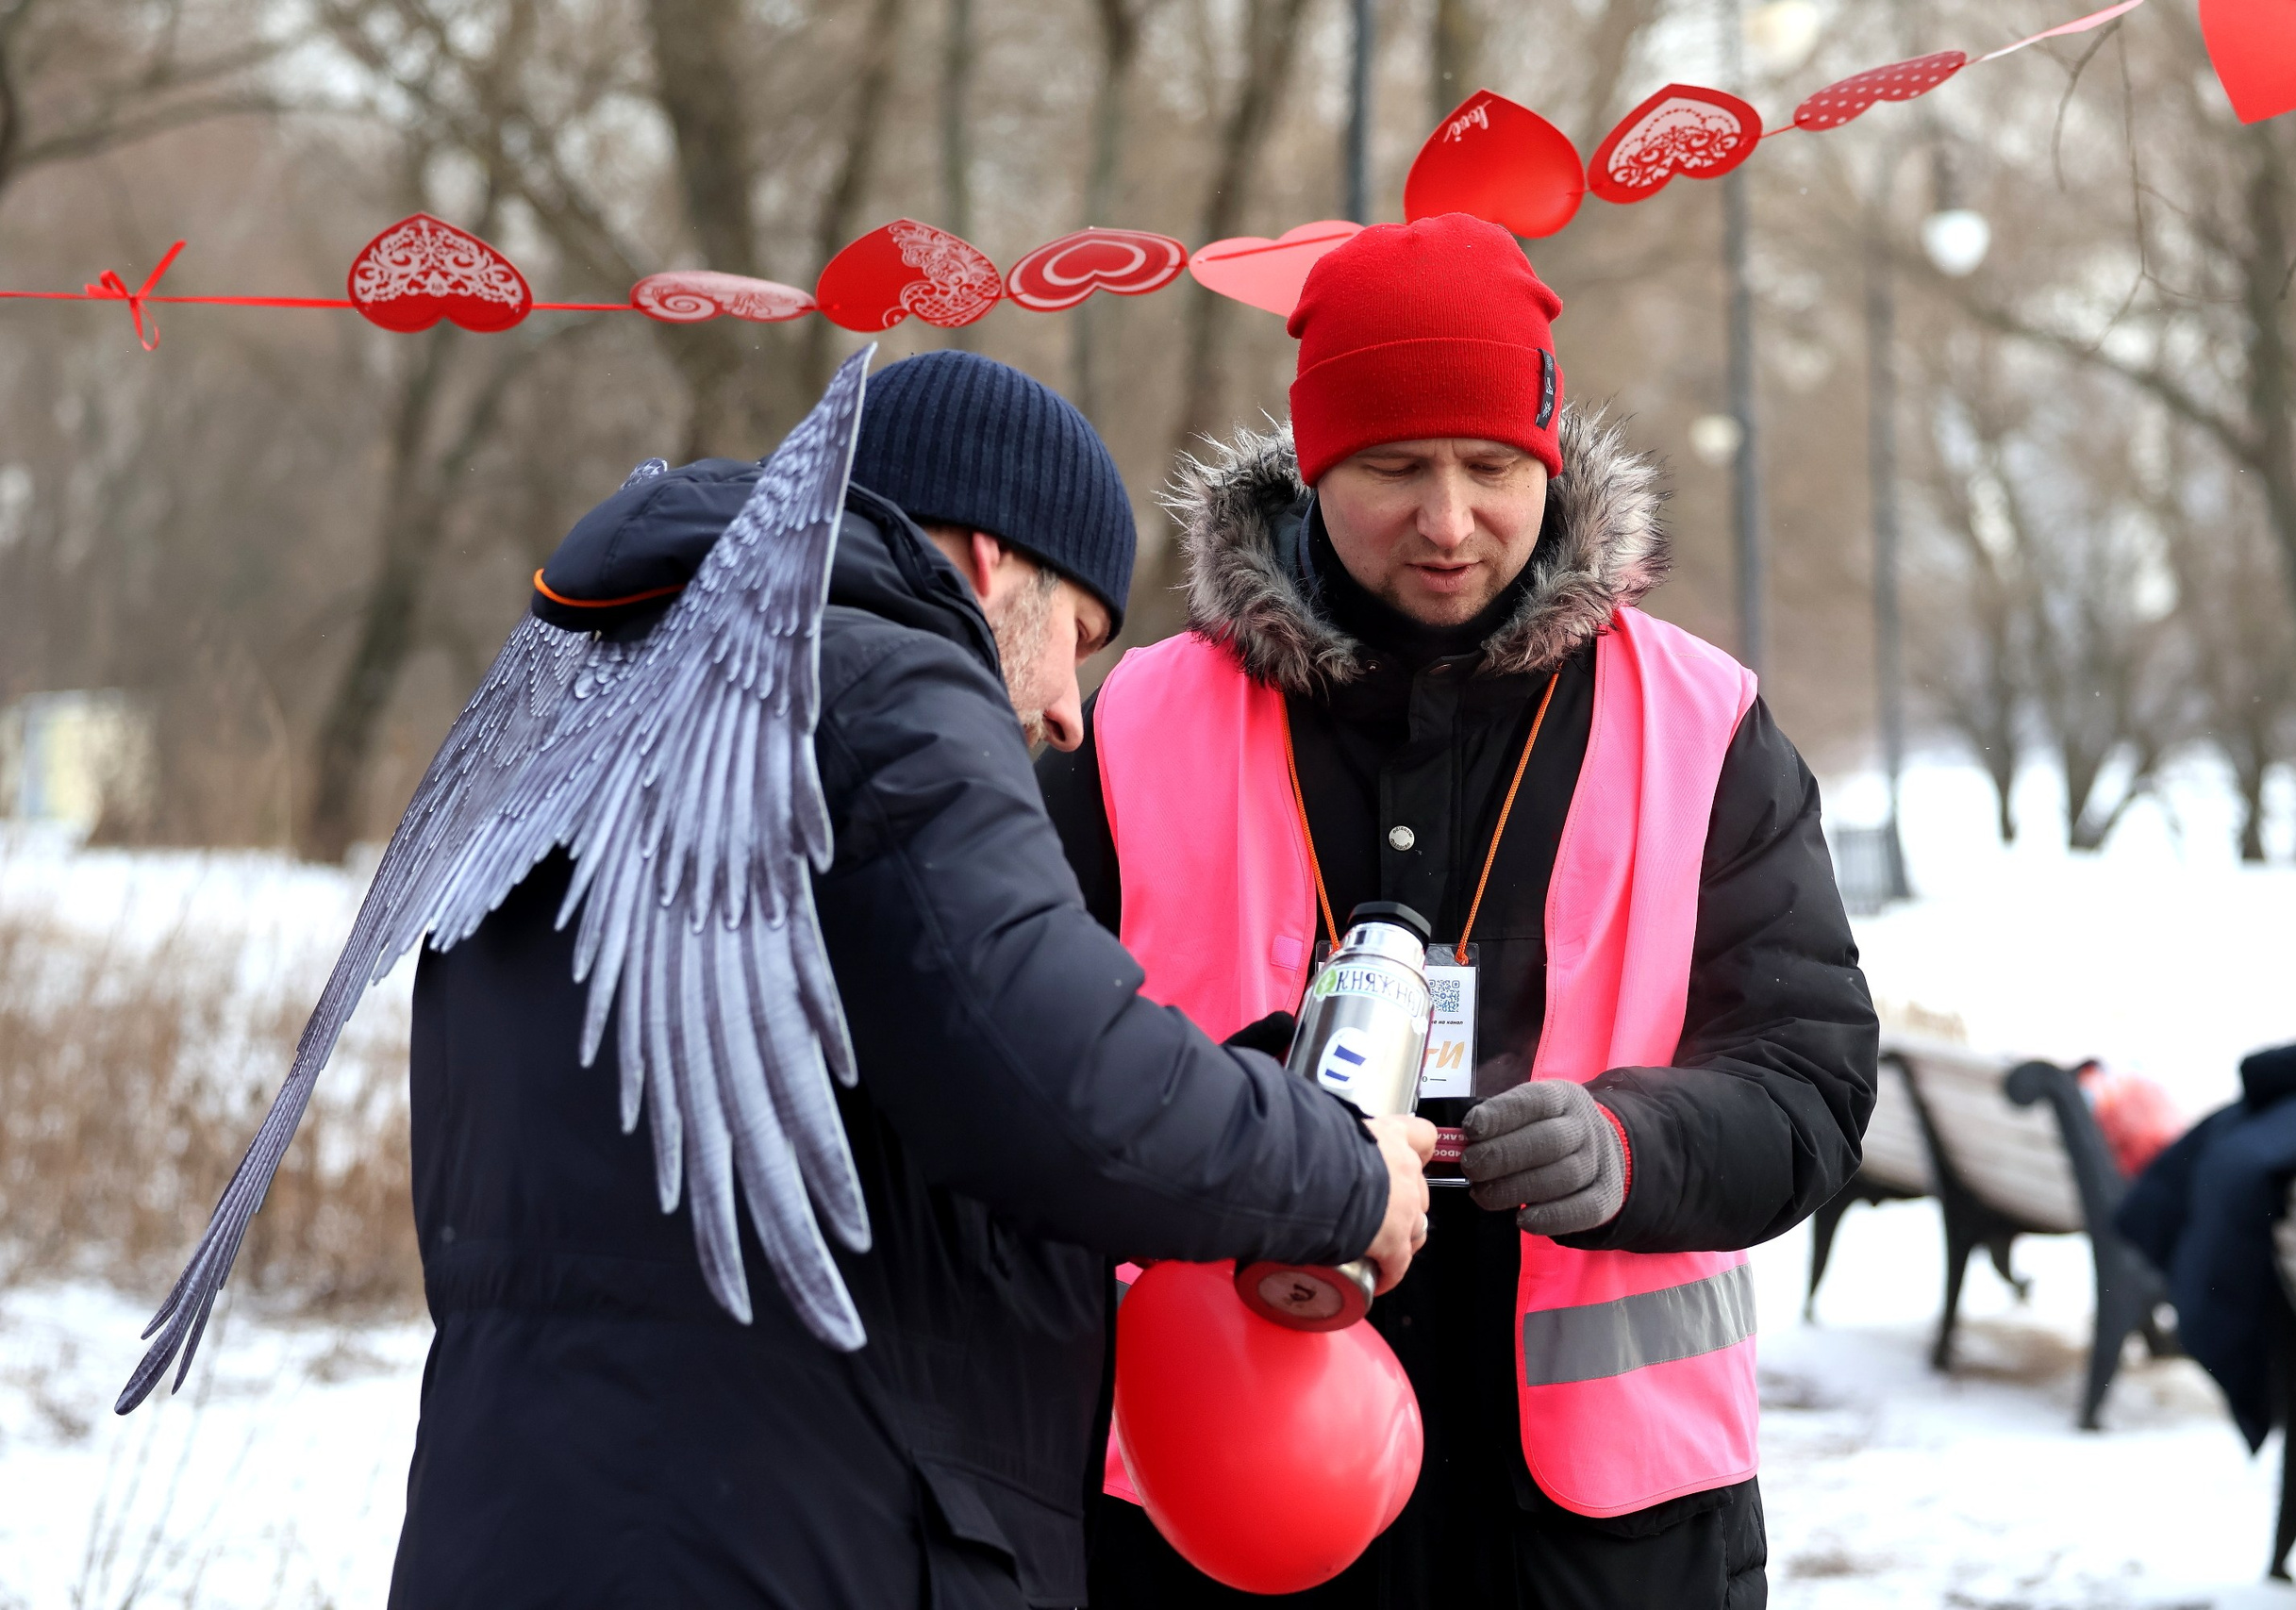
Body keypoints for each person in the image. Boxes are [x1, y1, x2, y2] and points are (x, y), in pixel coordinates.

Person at [118, 347, 1431, 1610]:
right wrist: (1338, 1171)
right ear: (992, 559)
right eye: (1075, 639)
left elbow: (882, 1076)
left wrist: (1238, 1084)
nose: (1069, 713)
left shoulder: (584, 700)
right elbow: (1058, 1083)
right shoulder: (877, 680)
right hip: (784, 1544)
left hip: (537, 1524)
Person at [1039, 216, 1878, 1609]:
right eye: (1392, 469)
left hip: (1603, 1539)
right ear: (1313, 472)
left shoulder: (1703, 721)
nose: (1448, 521)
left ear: (1548, 459)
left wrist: (1632, 1143)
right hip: (1222, 1498)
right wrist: (1245, 1128)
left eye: (1492, 469)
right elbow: (1031, 1072)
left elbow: (1814, 1086)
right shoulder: (1134, 722)